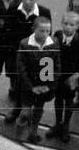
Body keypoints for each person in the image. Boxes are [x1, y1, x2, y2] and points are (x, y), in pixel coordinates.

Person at [9, 15, 58, 143]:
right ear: (34, 29)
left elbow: (56, 67)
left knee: (38, 110)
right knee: (25, 112)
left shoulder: (53, 43)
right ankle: (18, 136)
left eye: (48, 31)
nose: (45, 34)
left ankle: (33, 132)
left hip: (43, 87)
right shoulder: (25, 44)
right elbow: (21, 68)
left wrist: (49, 86)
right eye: (42, 31)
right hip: (28, 87)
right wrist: (31, 87)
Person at [50, 10, 79, 142]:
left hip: (71, 78)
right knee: (58, 99)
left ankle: (66, 125)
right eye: (65, 24)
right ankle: (57, 123)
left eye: (72, 25)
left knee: (69, 101)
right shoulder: (57, 36)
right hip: (58, 75)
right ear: (61, 24)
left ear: (77, 26)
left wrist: (76, 77)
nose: (68, 27)